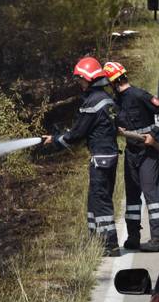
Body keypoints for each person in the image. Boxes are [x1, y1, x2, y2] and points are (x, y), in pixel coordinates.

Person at [42, 57, 120, 256]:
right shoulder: (105, 99)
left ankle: (110, 245)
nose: (79, 83)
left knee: (100, 200)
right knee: (95, 199)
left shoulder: (92, 102)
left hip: (100, 158)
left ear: (89, 79)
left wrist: (57, 140)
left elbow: (77, 133)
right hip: (108, 156)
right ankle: (95, 240)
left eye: (81, 79)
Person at [104, 61, 159, 252]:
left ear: (114, 82)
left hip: (147, 151)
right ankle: (133, 237)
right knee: (132, 195)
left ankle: (158, 238)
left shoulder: (139, 95)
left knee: (151, 194)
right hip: (131, 151)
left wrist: (155, 135)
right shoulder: (116, 101)